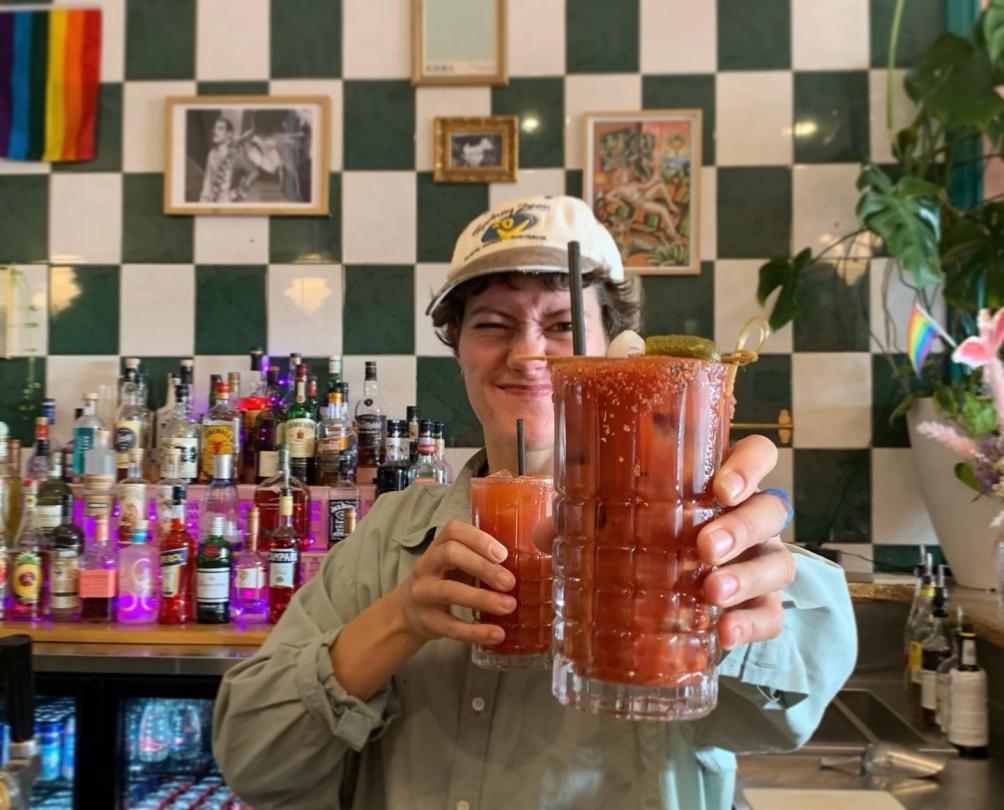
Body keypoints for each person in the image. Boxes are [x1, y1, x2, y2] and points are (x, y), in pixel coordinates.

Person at [213, 195, 856, 809]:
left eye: (564, 325)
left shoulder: (684, 527)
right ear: (457, 348)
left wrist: (719, 593)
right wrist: (402, 619)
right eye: (492, 325)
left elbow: (793, 708)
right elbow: (252, 761)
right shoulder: (392, 535)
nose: (528, 354)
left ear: (616, 350)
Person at [199, 116, 238, 203]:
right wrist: (202, 202)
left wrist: (237, 193)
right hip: (211, 202)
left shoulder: (235, 155)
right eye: (215, 128)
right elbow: (207, 182)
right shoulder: (211, 154)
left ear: (229, 134)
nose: (215, 131)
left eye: (220, 129)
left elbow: (253, 173)